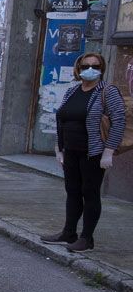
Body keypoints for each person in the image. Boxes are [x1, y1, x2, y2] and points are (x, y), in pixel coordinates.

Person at [41, 53, 127, 252]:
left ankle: (87, 238)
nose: (90, 69)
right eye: (85, 65)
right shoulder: (72, 91)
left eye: (95, 66)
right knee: (72, 192)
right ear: (78, 69)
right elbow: (61, 120)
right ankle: (68, 232)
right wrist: (59, 148)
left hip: (93, 152)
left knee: (90, 192)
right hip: (70, 150)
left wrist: (109, 151)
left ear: (102, 69)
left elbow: (118, 121)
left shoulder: (107, 91)